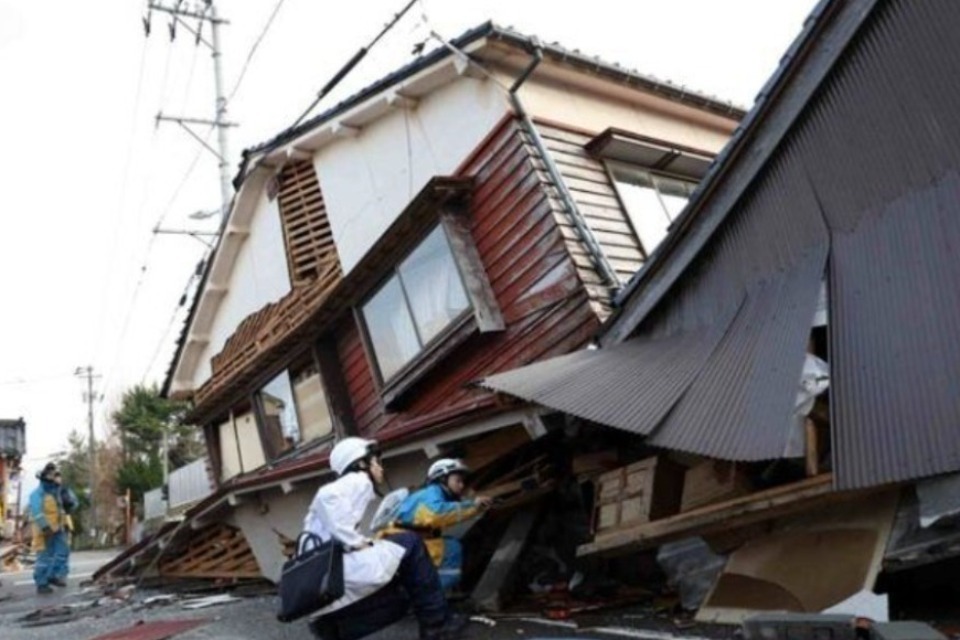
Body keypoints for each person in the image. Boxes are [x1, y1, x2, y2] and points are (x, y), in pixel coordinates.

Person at [303, 438, 466, 640]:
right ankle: (437, 626)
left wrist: (358, 541)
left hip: (327, 583)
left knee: (406, 583)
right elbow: (326, 497)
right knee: (410, 542)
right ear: (361, 463)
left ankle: (334, 626)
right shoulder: (357, 480)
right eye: (377, 462)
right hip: (338, 570)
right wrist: (355, 541)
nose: (381, 467)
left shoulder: (354, 486)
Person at [388, 459, 493, 591]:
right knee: (451, 550)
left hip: (405, 541)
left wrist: (474, 507)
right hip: (403, 542)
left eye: (462, 481)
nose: (461, 486)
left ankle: (427, 598)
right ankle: (430, 599)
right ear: (443, 479)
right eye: (457, 480)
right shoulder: (432, 492)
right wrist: (473, 506)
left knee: (449, 547)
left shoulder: (432, 494)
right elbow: (437, 513)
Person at [29, 463, 70, 594]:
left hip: (58, 528)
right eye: (51, 474)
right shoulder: (37, 494)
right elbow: (37, 512)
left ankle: (53, 575)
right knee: (44, 557)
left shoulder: (56, 492)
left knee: (62, 552)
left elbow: (64, 508)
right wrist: (45, 526)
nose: (54, 477)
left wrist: (69, 502)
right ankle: (41, 583)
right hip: (44, 530)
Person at [50, 470, 78, 586]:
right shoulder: (50, 491)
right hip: (53, 524)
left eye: (58, 477)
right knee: (57, 551)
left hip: (62, 523)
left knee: (62, 551)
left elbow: (74, 503)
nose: (57, 479)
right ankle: (54, 575)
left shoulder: (64, 490)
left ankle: (60, 576)